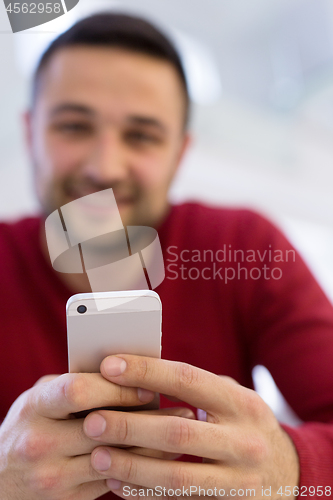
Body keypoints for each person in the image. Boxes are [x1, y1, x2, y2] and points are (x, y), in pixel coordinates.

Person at [0, 12, 333, 500]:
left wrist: (292, 470)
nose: (104, 166)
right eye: (73, 126)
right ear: (30, 134)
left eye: (141, 136)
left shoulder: (244, 245)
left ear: (180, 153)